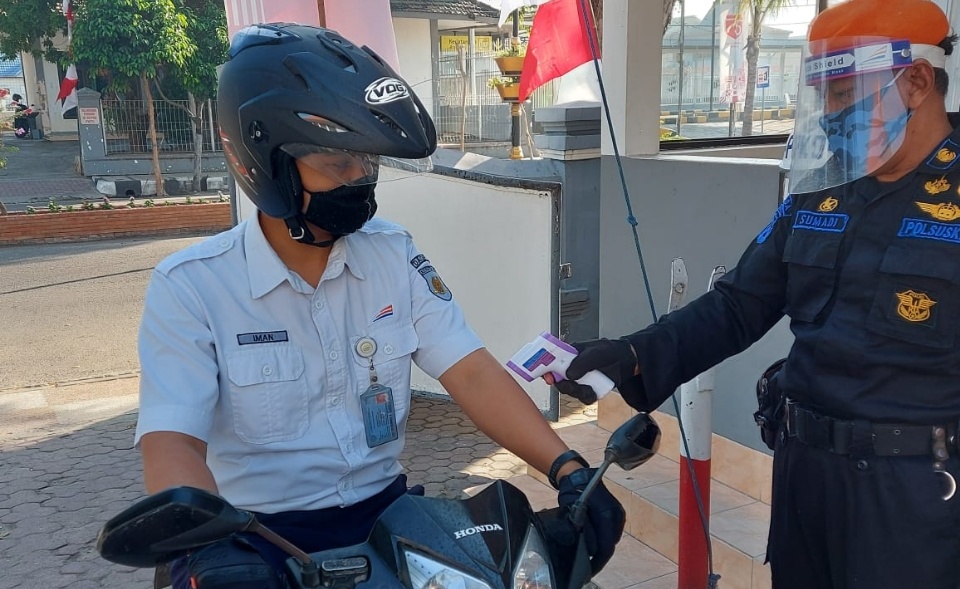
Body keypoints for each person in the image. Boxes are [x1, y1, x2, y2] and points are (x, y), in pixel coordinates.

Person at [135, 23, 624, 589]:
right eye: (338, 164)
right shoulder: (192, 287)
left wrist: (568, 470)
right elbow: (173, 442)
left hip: (389, 524)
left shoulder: (393, 254)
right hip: (255, 541)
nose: (360, 180)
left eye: (365, 163)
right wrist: (208, 548)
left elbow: (471, 372)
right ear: (265, 159)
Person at [548, 1, 960, 588]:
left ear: (917, 81)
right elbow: (738, 304)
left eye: (845, 94)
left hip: (918, 493)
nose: (832, 114)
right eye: (825, 97)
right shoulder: (823, 194)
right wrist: (633, 355)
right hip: (805, 479)